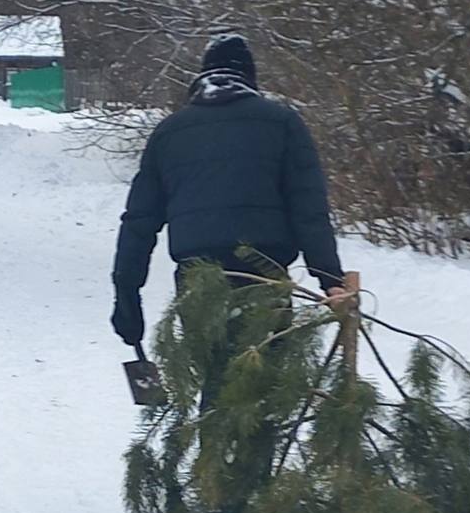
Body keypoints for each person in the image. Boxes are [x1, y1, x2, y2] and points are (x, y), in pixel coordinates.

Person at [110, 32, 347, 348]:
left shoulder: (169, 133)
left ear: (203, 74)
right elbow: (309, 209)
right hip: (264, 275)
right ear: (250, 76)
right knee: (264, 380)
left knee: (214, 376)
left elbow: (139, 221)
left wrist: (127, 295)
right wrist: (330, 279)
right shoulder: (283, 123)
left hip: (197, 279)